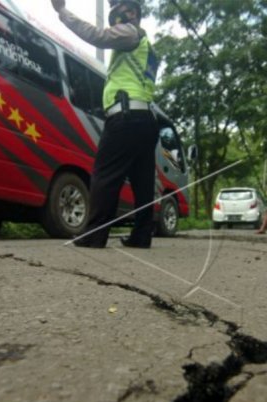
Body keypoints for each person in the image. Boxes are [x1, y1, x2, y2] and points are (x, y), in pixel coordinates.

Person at [51, 0, 159, 248]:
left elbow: (97, 36)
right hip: (146, 120)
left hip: (125, 117)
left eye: (123, 11)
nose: (120, 18)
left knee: (105, 175)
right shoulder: (149, 50)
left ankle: (94, 235)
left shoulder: (131, 32)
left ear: (131, 14)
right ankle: (141, 236)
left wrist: (62, 12)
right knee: (143, 181)